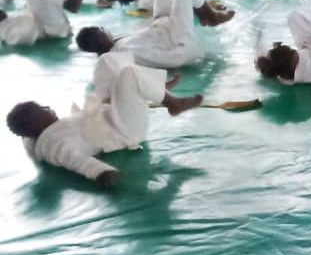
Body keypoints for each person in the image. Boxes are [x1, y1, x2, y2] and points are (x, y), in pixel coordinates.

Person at [6, 65, 202, 187]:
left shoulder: (46, 133)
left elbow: (26, 137)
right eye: (41, 109)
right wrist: (101, 173)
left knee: (120, 75)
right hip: (125, 130)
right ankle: (172, 103)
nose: (48, 107)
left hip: (113, 117)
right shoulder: (54, 143)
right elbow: (75, 160)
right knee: (128, 75)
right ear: (35, 123)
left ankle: (156, 90)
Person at [75, 0, 234, 69]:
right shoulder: (120, 55)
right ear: (99, 39)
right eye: (101, 30)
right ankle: (211, 16)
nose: (105, 29)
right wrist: (190, 54)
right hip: (178, 40)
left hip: (163, 26)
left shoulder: (113, 45)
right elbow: (164, 59)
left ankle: (202, 10)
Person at [0, 0, 81, 46]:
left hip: (45, 19)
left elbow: (26, 15)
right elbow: (29, 33)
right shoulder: (8, 33)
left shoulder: (7, 18)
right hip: (52, 28)